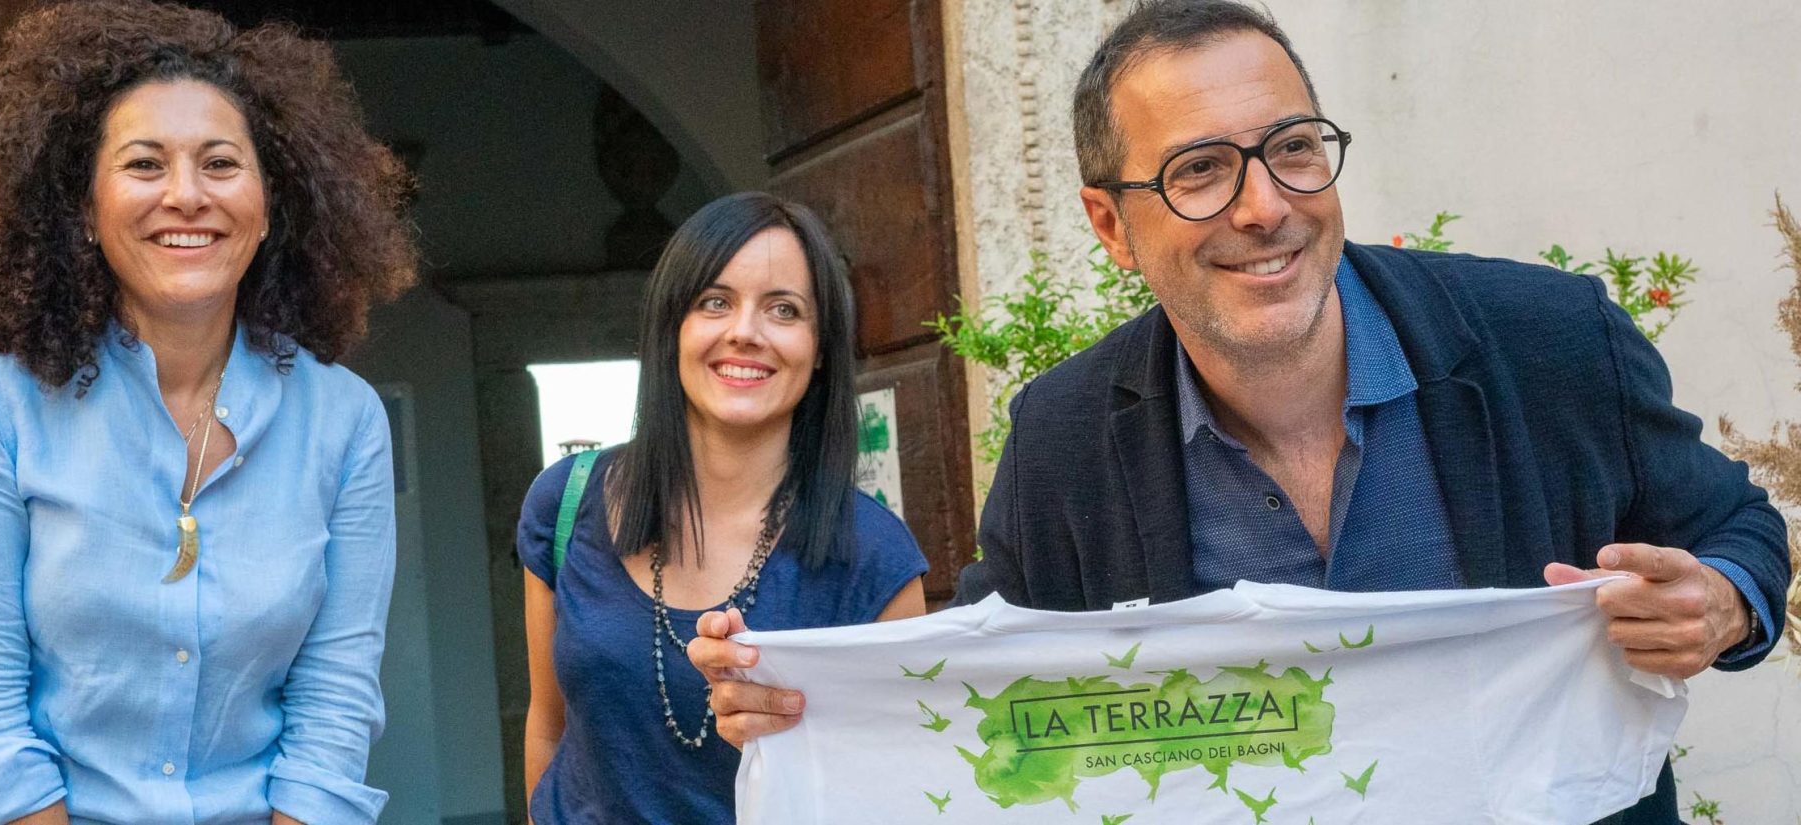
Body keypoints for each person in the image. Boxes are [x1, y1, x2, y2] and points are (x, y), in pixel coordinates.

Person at [688, 2, 1789, 822]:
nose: (1265, 207)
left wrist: (1723, 604)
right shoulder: (1066, 438)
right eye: (1201, 170)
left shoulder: (1551, 343)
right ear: (1110, 226)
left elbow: (1737, 530)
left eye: (1293, 148)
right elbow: (1000, 689)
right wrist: (818, 707)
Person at [0, 1, 417, 822]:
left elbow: (334, 708)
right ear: (84, 207)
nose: (186, 195)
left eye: (220, 163)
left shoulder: (344, 421)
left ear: (269, 204)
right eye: (144, 164)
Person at [518, 192, 928, 824]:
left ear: (820, 348)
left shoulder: (875, 559)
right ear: (672, 327)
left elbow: (902, 788)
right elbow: (547, 726)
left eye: (784, 309)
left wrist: (797, 742)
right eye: (715, 301)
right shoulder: (565, 504)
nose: (744, 332)